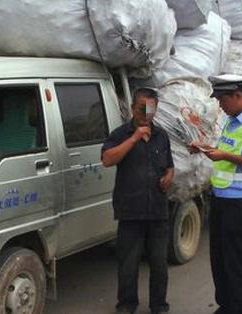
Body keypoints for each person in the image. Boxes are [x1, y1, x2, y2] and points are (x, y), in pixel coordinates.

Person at [189, 75, 242, 314]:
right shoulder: (232, 120)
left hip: (238, 203)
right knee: (219, 257)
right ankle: (227, 305)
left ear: (237, 95)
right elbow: (226, 153)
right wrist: (205, 148)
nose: (221, 106)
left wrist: (223, 156)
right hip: (221, 199)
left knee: (236, 260)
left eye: (223, 100)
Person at [101, 88, 174, 314]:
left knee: (159, 265)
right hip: (130, 210)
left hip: (157, 210)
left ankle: (158, 306)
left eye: (150, 108)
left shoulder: (162, 136)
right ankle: (127, 305)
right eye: (142, 108)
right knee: (128, 264)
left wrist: (169, 177)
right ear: (133, 108)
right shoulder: (120, 134)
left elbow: (170, 165)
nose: (146, 113)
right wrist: (134, 138)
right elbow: (107, 159)